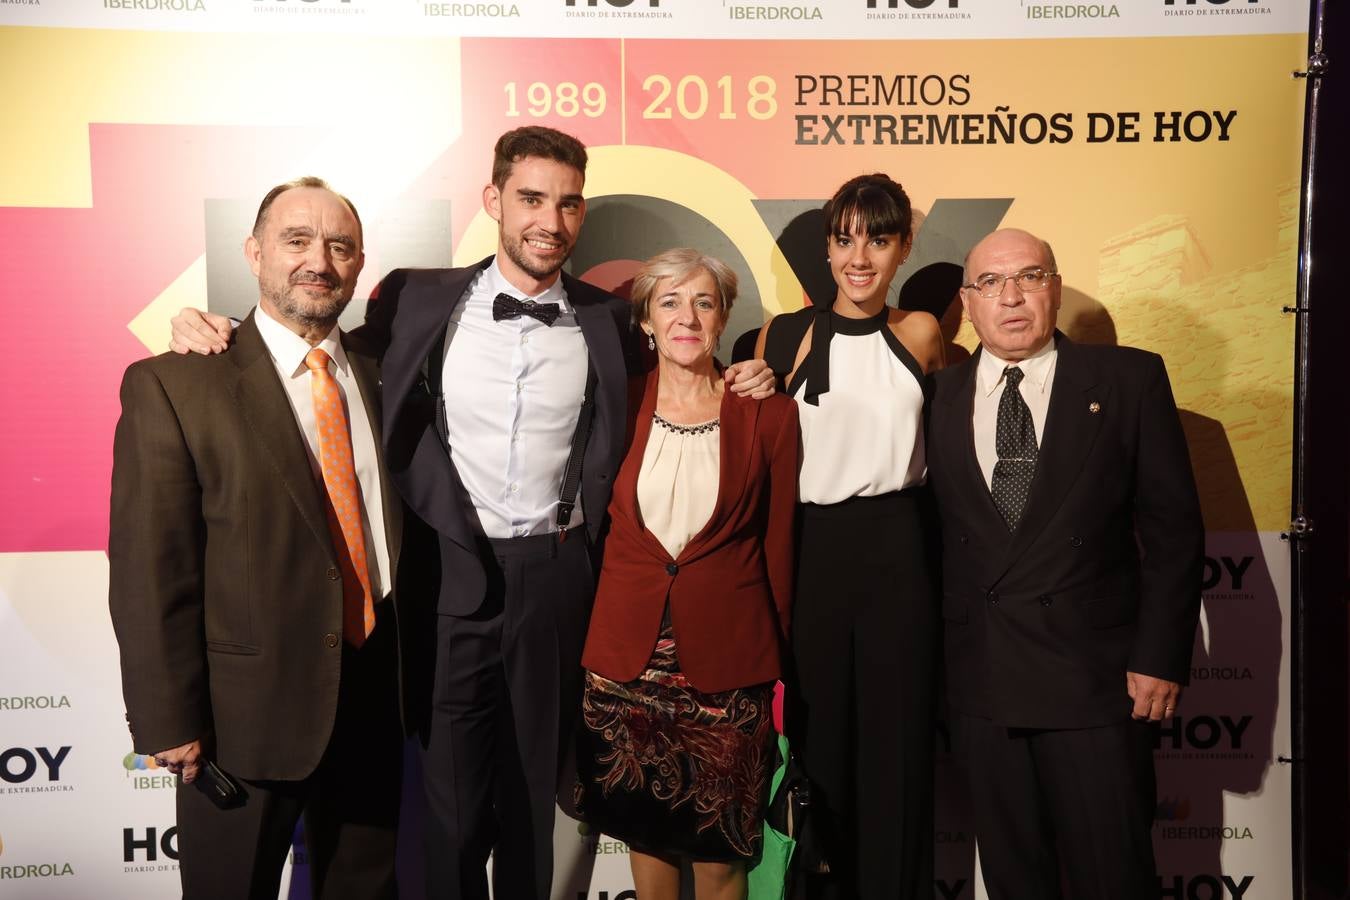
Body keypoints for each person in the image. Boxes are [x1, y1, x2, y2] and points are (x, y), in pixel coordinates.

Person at [167, 126, 776, 900]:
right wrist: (216, 324)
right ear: (494, 200)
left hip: (558, 580)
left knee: (534, 806)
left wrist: (748, 374)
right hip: (448, 577)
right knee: (448, 810)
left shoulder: (608, 321)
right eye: (531, 199)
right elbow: (312, 343)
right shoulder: (415, 298)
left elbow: (684, 369)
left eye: (567, 204)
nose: (549, 221)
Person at [109, 177, 426, 899]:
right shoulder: (177, 384)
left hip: (377, 696)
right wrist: (168, 718)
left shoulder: (390, 374)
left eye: (339, 246)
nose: (319, 261)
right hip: (240, 720)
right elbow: (150, 571)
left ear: (360, 262)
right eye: (297, 241)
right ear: (254, 254)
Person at [927, 228, 1204, 900]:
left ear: (1053, 288)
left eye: (1029, 276)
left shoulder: (1129, 380)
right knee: (1015, 879)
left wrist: (1161, 656)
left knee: (1114, 877)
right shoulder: (935, 396)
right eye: (991, 282)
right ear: (968, 302)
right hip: (984, 686)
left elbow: (1173, 532)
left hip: (1097, 685)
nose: (1011, 297)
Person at [576, 249, 798, 900]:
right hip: (625, 669)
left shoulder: (770, 414)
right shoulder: (615, 402)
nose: (688, 317)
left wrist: (782, 664)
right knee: (646, 847)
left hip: (730, 671)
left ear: (724, 317)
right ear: (645, 320)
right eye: (669, 302)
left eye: (704, 302)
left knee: (721, 858)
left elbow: (780, 546)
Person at [754, 173, 945, 900]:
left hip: (901, 551)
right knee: (818, 746)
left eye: (878, 240)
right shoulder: (781, 335)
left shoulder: (922, 333)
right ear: (828, 249)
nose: (859, 258)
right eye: (844, 240)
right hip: (814, 555)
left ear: (903, 248)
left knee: (899, 749)